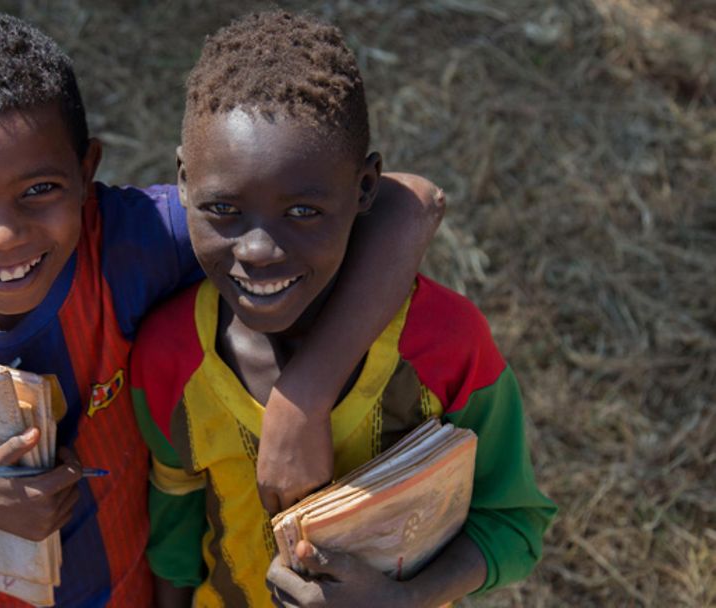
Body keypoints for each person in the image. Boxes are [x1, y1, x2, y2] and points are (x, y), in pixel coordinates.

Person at [0, 10, 444, 607]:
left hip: (124, 589)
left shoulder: (136, 242)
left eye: (39, 190)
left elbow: (411, 202)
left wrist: (305, 394)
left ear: (87, 170)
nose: (3, 236)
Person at [131, 11, 557, 608]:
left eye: (303, 212)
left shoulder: (445, 345)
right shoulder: (168, 355)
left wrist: (405, 599)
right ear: (183, 180)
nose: (256, 251)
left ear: (364, 188)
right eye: (223, 209)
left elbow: (513, 523)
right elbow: (174, 545)